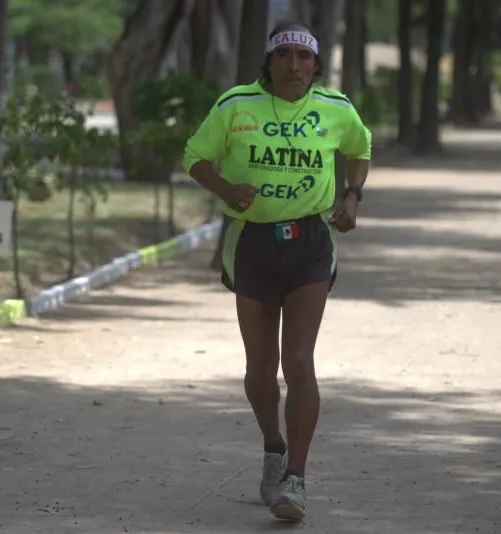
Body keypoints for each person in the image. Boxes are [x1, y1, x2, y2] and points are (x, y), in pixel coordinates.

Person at [182, 20, 372, 522]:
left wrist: (353, 196)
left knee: (300, 361)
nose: (294, 65)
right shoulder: (235, 106)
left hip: (309, 242)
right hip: (252, 244)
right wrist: (226, 190)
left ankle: (296, 480)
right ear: (268, 62)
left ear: (316, 65)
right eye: (284, 55)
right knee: (260, 368)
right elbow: (195, 157)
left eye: (304, 57)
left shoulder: (336, 108)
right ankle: (273, 446)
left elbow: (360, 149)